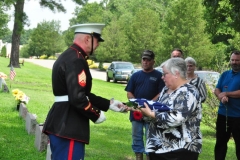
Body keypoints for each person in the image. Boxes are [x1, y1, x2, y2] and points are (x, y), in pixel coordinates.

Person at [42, 23, 127, 160]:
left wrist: (109, 104)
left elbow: (82, 93)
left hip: (63, 121)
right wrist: (95, 114)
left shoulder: (70, 56)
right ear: (88, 39)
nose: (98, 45)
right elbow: (77, 97)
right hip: (68, 124)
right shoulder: (76, 60)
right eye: (97, 40)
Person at [137, 58, 202, 160]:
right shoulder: (166, 89)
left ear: (176, 73)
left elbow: (177, 118)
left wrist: (151, 114)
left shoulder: (188, 92)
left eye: (165, 73)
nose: (162, 77)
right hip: (159, 148)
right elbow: (158, 112)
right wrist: (144, 112)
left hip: (180, 149)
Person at [125, 50, 165, 160]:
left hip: (151, 112)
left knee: (150, 136)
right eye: (144, 59)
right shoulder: (135, 75)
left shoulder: (159, 76)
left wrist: (148, 104)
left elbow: (161, 93)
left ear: (153, 61)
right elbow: (129, 92)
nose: (145, 62)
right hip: (136, 111)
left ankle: (149, 156)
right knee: (136, 136)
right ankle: (138, 156)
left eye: (148, 60)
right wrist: (137, 104)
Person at [214, 50, 240, 160]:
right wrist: (221, 96)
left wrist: (227, 93)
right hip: (223, 115)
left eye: (237, 60)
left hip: (238, 116)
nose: (234, 62)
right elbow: (217, 89)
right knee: (220, 144)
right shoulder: (225, 74)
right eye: (232, 60)